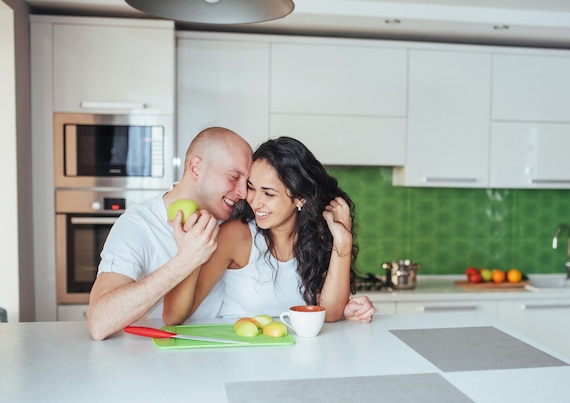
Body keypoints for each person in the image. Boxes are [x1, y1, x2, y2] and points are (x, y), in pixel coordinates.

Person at [89, 128, 374, 341]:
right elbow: (103, 322)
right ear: (195, 168)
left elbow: (320, 307)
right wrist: (187, 258)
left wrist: (341, 253)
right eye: (236, 178)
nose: (245, 196)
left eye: (249, 183)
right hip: (153, 354)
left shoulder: (227, 220)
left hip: (233, 350)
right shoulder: (139, 226)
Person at [163, 136, 372, 325]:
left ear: (300, 198)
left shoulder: (316, 237)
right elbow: (173, 316)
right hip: (239, 356)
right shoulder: (236, 236)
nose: (254, 201)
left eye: (268, 194)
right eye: (252, 188)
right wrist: (191, 252)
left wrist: (342, 242)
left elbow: (329, 314)